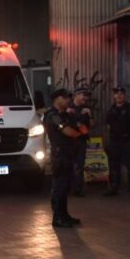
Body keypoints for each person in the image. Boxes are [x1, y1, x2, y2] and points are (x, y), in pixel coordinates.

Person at [44, 89, 83, 228]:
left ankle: (64, 215)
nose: (68, 100)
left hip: (68, 153)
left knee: (66, 186)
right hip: (59, 155)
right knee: (59, 187)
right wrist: (78, 134)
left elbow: (80, 126)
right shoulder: (52, 115)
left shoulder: (65, 114)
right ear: (57, 99)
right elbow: (68, 131)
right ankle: (58, 218)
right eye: (65, 98)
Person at [104, 86, 130, 196]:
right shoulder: (111, 109)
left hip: (127, 140)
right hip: (115, 141)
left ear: (124, 95)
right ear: (114, 96)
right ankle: (114, 188)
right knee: (113, 165)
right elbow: (108, 125)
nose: (119, 96)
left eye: (121, 94)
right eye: (116, 94)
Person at [67, 88, 92, 196]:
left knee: (80, 166)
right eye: (83, 95)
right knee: (68, 165)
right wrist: (67, 113)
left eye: (86, 96)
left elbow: (92, 124)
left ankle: (78, 189)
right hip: (69, 141)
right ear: (76, 95)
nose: (85, 98)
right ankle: (69, 188)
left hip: (81, 141)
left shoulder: (86, 109)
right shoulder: (68, 108)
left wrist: (90, 114)